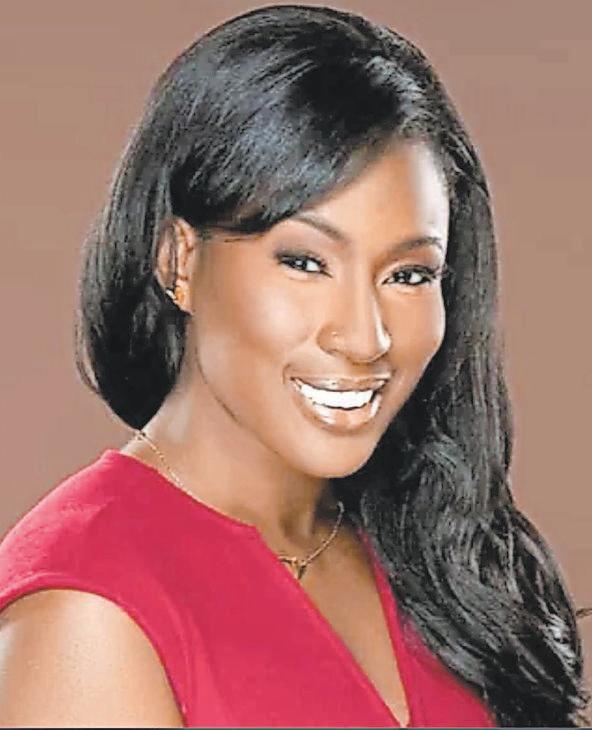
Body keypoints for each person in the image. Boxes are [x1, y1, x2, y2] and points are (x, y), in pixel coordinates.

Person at [0, 4, 588, 727]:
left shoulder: (432, 555)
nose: (365, 337)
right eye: (305, 262)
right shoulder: (87, 612)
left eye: (408, 275)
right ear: (179, 260)